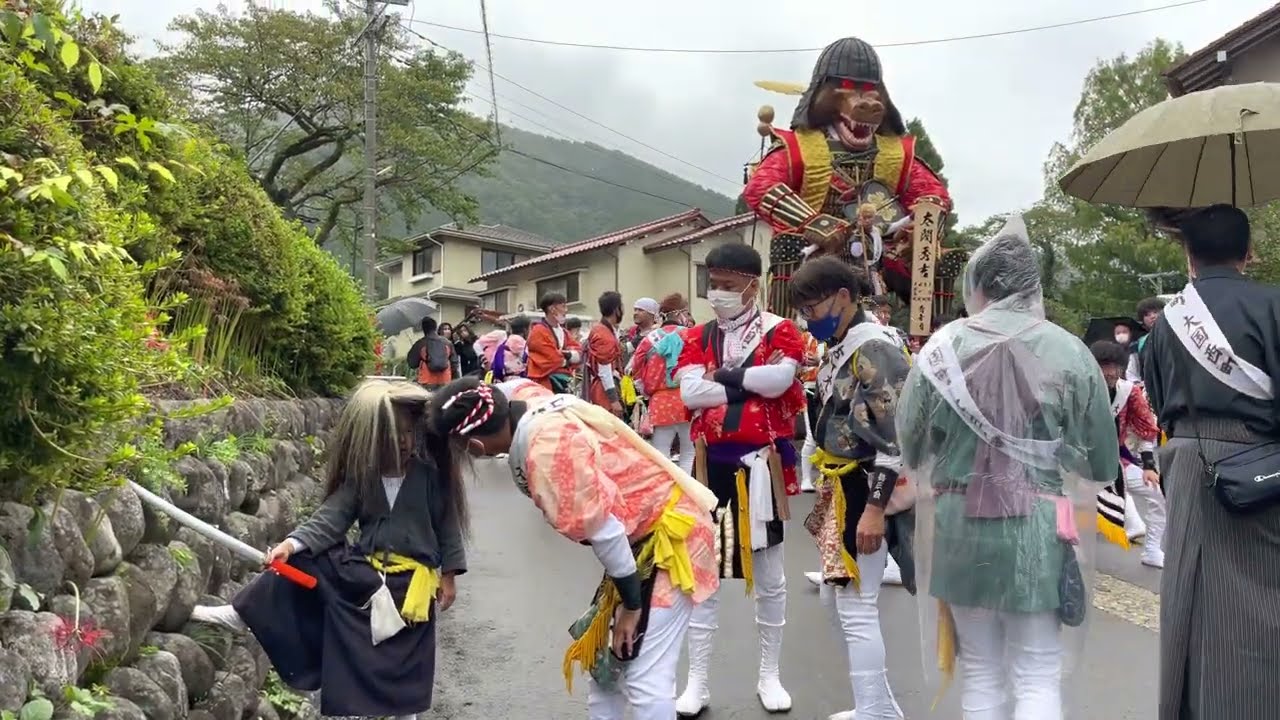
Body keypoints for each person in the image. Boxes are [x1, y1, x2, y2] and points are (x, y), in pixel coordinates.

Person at [897, 216, 1117, 720]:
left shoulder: (940, 349)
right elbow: (1101, 461)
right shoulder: (1072, 351)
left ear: (978, 285)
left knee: (980, 670)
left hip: (958, 524)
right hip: (1037, 527)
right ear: (1032, 284)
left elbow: (912, 449)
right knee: (1037, 671)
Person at [425, 376, 719, 720]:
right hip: (641, 538)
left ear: (475, 446)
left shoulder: (548, 451)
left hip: (671, 539)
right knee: (606, 670)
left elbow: (606, 532)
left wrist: (631, 605)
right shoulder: (527, 400)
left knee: (644, 676)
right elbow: (509, 385)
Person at [188, 380, 467, 718]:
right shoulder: (363, 476)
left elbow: (448, 525)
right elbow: (330, 518)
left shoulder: (429, 475)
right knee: (304, 559)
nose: (404, 441)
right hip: (367, 576)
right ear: (375, 437)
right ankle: (242, 612)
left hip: (412, 586)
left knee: (405, 670)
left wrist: (449, 575)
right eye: (394, 434)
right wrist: (289, 545)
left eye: (408, 431)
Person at [1141, 205, 1280, 720]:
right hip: (1261, 469)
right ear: (1249, 252)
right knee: (1258, 601)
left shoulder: (1167, 322)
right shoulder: (1273, 304)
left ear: (1189, 256)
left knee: (1190, 598)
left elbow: (1158, 400)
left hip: (1186, 463)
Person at [672, 243, 806, 715]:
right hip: (711, 467)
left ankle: (769, 674)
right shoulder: (698, 334)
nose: (718, 293)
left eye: (728, 285)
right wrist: (749, 381)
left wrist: (724, 377)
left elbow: (781, 383)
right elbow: (691, 392)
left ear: (753, 284)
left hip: (761, 470)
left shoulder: (780, 329)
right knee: (704, 574)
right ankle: (697, 681)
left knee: (769, 576)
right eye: (713, 285)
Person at [742, 37, 951, 316]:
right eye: (849, 88)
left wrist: (919, 229)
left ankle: (928, 331)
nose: (865, 101)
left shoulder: (895, 153)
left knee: (941, 256)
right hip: (812, 256)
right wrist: (814, 222)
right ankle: (787, 329)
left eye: (870, 91)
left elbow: (934, 194)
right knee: (788, 245)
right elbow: (760, 186)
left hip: (876, 254)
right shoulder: (798, 148)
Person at [788, 257, 911, 719]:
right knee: (836, 598)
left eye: (813, 307)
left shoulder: (874, 348)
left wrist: (875, 510)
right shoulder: (840, 346)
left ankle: (875, 711)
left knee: (856, 607)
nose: (809, 318)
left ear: (844, 297)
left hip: (866, 485)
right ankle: (879, 705)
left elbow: (896, 437)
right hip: (841, 485)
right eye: (803, 310)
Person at [1089, 340, 1166, 568]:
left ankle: (1152, 550)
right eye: (1105, 366)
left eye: (1115, 366)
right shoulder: (1080, 389)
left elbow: (1146, 429)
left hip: (1116, 462)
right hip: (1080, 465)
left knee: (1159, 493)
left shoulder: (1128, 391)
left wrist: (1149, 466)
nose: (1111, 372)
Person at [628, 293, 695, 475]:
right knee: (688, 453)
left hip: (660, 402)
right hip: (687, 399)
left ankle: (666, 490)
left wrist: (645, 391)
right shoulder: (691, 335)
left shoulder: (649, 339)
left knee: (661, 455)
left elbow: (635, 367)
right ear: (680, 313)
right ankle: (687, 489)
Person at [527, 292, 582, 393]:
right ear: (552, 309)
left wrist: (565, 355)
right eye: (563, 306)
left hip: (565, 381)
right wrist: (569, 357)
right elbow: (551, 358)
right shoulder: (538, 331)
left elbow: (580, 353)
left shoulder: (564, 332)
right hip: (544, 383)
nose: (566, 310)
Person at [585, 291, 626, 415]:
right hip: (604, 391)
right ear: (616, 310)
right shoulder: (604, 335)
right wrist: (614, 400)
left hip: (603, 387)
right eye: (622, 306)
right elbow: (605, 371)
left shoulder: (602, 330)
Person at [407, 317, 455, 389]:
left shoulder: (420, 344)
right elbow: (454, 363)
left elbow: (412, 364)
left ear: (423, 329)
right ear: (435, 327)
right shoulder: (447, 343)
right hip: (445, 380)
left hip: (426, 380)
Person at [1126, 297, 1166, 382]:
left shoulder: (1177, 338)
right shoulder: (1138, 344)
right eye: (1147, 315)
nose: (1152, 316)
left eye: (1155, 312)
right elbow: (1132, 373)